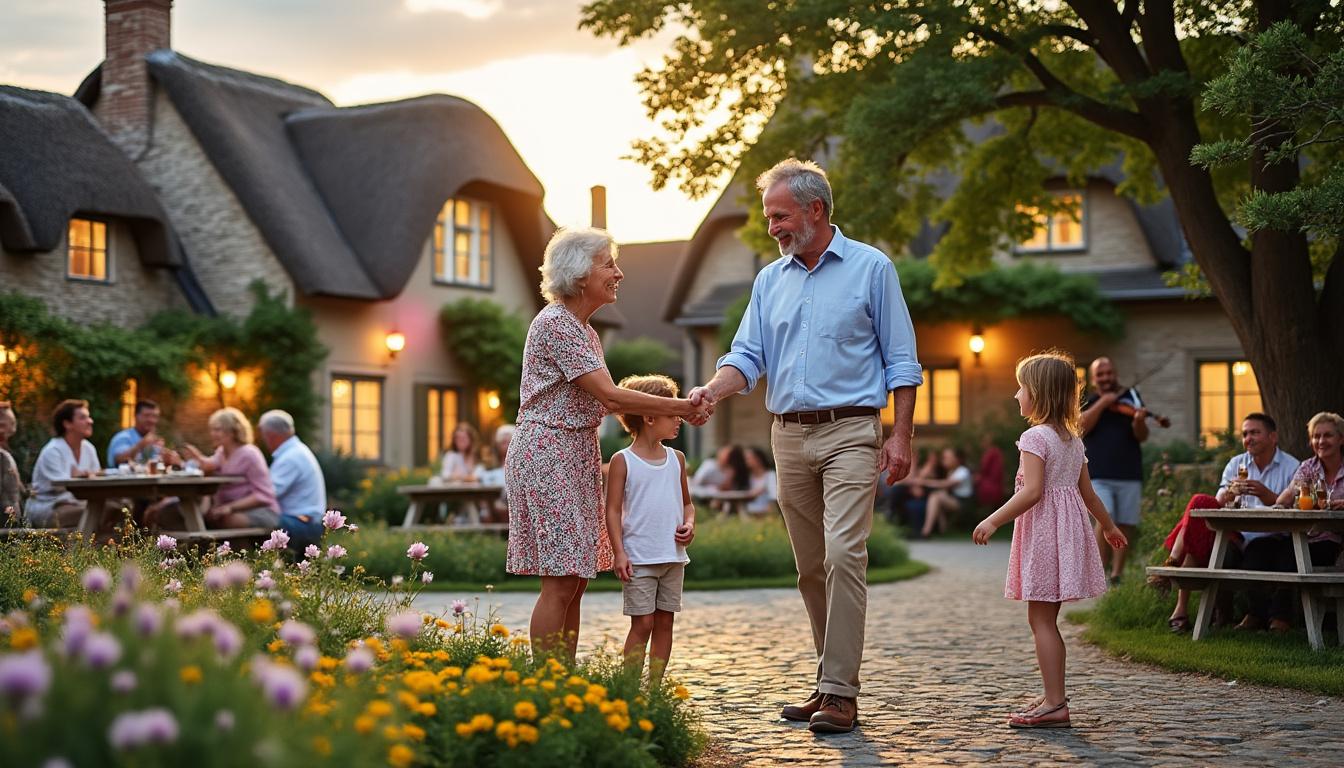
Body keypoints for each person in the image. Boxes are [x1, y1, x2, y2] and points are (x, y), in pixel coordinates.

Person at [688, 158, 922, 733]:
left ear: (815, 210)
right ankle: (828, 681)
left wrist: (902, 435)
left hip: (851, 431)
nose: (773, 227)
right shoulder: (770, 281)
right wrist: (713, 391)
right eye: (770, 217)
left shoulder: (872, 268)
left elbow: (902, 361)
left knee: (845, 554)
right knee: (811, 568)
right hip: (787, 435)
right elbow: (746, 357)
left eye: (780, 215)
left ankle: (841, 693)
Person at [505, 226, 707, 663]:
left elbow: (610, 398)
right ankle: (546, 687)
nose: (618, 273)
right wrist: (681, 407)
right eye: (608, 265)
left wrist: (670, 412)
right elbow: (611, 397)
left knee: (575, 579)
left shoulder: (583, 330)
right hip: (548, 451)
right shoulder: (557, 324)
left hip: (573, 451)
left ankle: (565, 680)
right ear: (580, 275)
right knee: (559, 580)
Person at [972, 352, 1127, 729]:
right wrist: (1109, 527)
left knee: (1041, 621)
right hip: (1064, 534)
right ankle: (1052, 696)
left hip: (1044, 534)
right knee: (1047, 619)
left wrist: (993, 520)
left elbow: (1033, 492)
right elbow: (1089, 496)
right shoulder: (1071, 440)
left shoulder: (1034, 437)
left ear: (1037, 394)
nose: (1015, 395)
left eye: (1021, 387)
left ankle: (1056, 705)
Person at [1150, 413, 1298, 632]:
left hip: (1271, 535)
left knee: (1197, 523)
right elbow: (1217, 503)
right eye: (1245, 434)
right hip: (1235, 535)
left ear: (1273, 437)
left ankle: (1173, 574)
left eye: (1255, 432)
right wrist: (1229, 494)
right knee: (1200, 505)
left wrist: (1267, 495)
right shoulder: (1237, 463)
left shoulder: (1291, 466)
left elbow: (1294, 510)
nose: (1249, 438)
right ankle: (1190, 599)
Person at [605, 374, 696, 686]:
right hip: (640, 558)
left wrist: (689, 524)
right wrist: (619, 553)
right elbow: (612, 510)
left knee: (664, 622)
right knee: (642, 623)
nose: (679, 420)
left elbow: (687, 504)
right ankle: (628, 690)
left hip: (672, 557)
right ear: (648, 416)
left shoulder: (677, 459)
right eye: (672, 414)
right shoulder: (622, 461)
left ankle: (655, 691)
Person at [1237, 412, 1344, 633]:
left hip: (1334, 541)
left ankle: (1280, 619)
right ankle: (1257, 613)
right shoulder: (1308, 467)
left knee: (1290, 556)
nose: (1321, 441)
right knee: (1257, 550)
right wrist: (1280, 504)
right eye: (1316, 437)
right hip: (1304, 536)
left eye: (1328, 436)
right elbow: (1289, 493)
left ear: (1341, 439)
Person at [1080, 356, 1149, 585]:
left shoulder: (1131, 399)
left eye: (1109, 373)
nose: (1106, 377)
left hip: (1129, 472)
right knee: (1105, 517)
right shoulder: (1087, 401)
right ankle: (1099, 571)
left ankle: (1117, 574)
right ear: (1093, 379)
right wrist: (1103, 402)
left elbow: (1142, 436)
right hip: (1098, 473)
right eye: (1100, 374)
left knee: (1126, 523)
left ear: (1115, 374)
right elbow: (1079, 427)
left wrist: (1139, 421)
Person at [181, 407, 279, 530]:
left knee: (222, 521)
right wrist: (190, 460)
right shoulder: (221, 452)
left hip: (261, 511)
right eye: (212, 430)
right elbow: (207, 465)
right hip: (229, 510)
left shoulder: (250, 454)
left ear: (232, 432)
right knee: (194, 516)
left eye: (217, 430)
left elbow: (264, 496)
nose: (212, 434)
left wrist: (230, 507)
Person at [24, 399, 100, 528]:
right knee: (100, 512)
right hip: (50, 506)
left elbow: (97, 477)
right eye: (83, 418)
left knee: (118, 508)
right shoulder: (53, 451)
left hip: (78, 503)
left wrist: (81, 475)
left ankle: (100, 546)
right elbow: (62, 485)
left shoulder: (89, 448)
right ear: (67, 424)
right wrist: (79, 476)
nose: (90, 421)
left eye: (89, 417)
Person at [257, 410, 326, 551]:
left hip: (301, 525)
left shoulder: (290, 458)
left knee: (248, 519)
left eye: (263, 436)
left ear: (271, 436)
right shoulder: (297, 451)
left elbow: (268, 494)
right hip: (307, 523)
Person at [106, 399, 179, 468]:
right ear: (135, 416)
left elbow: (155, 466)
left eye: (155, 416)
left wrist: (168, 460)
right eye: (146, 415)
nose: (151, 420)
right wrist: (141, 444)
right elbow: (119, 461)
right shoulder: (123, 437)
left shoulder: (155, 441)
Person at [919, 446, 973, 538]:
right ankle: (942, 530)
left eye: (947, 458)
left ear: (957, 459)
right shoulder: (950, 471)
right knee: (936, 498)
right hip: (953, 498)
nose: (944, 460)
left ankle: (926, 531)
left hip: (962, 502)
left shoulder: (963, 471)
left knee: (935, 497)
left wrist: (925, 482)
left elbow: (947, 484)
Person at [477, 424, 515, 523]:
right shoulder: (489, 463)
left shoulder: (518, 464)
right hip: (490, 501)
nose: (505, 445)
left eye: (508, 442)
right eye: (503, 442)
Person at [0, 402, 26, 523]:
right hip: (6, 520)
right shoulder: (2, 456)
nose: (13, 428)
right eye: (12, 423)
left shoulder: (5, 454)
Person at [743, 446, 778, 515]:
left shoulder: (770, 475)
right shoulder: (748, 476)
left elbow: (773, 498)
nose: (746, 461)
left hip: (765, 515)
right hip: (749, 514)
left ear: (758, 459)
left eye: (748, 458)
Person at [974, 434, 1005, 508]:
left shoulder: (991, 453)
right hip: (997, 485)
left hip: (989, 485)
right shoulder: (997, 452)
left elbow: (984, 469)